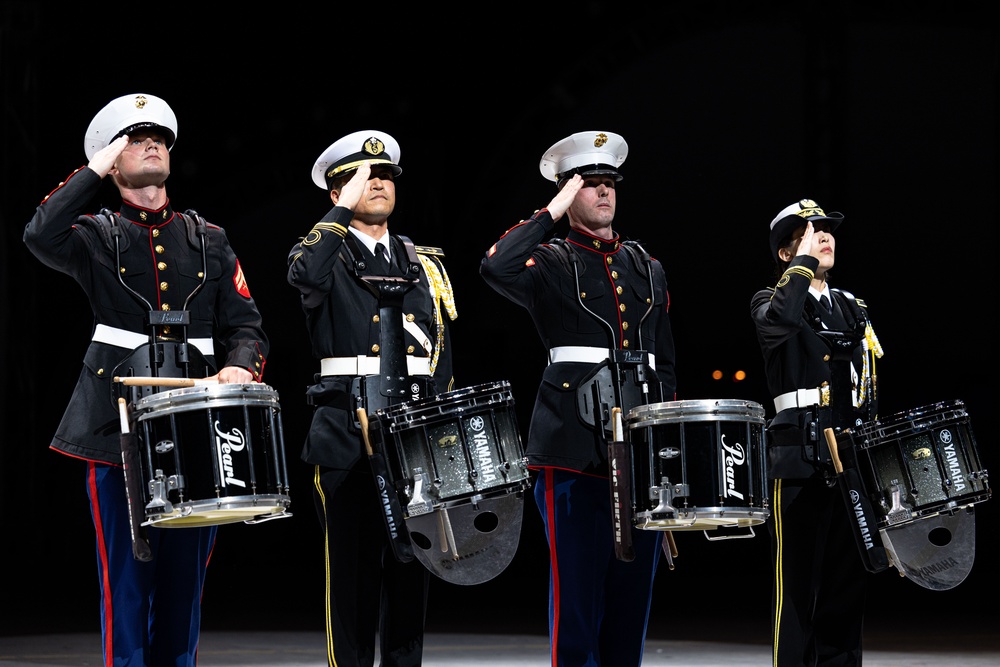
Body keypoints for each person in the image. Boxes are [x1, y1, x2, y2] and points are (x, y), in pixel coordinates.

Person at [23, 93, 269, 666]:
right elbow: (39, 235)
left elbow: (248, 324)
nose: (152, 142)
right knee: (128, 583)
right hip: (117, 426)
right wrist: (92, 172)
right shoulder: (93, 234)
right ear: (112, 160)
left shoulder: (207, 238)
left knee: (185, 590)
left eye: (158, 135)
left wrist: (241, 362)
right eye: (134, 138)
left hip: (199, 425)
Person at [480, 131, 677, 666]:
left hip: (638, 448)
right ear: (570, 194)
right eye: (590, 184)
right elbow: (494, 267)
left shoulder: (646, 267)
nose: (604, 192)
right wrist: (551, 211)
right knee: (578, 595)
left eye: (610, 182)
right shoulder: (548, 262)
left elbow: (665, 362)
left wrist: (669, 449)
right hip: (572, 445)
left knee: (632, 598)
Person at [287, 130, 458, 667]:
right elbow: (304, 274)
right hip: (345, 433)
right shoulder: (323, 254)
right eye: (362, 176)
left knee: (414, 576)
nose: (378, 182)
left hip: (413, 438)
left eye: (385, 176)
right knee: (354, 581)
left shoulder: (422, 262)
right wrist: (339, 212)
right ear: (336, 191)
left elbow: (442, 361)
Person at [750, 198, 884, 666]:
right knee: (798, 591)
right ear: (786, 254)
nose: (823, 236)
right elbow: (783, 322)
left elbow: (864, 384)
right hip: (799, 458)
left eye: (826, 230)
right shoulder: (770, 301)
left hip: (850, 455)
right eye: (808, 234)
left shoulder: (850, 306)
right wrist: (804, 265)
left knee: (847, 587)